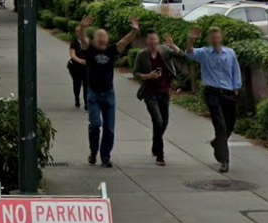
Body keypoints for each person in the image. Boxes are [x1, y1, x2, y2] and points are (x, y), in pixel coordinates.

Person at [71, 19, 137, 167]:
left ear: (107, 39)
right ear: (95, 39)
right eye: (99, 36)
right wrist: (82, 26)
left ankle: (105, 156)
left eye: (104, 36)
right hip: (94, 94)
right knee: (95, 124)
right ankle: (93, 152)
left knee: (109, 128)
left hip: (108, 94)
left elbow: (125, 41)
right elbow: (82, 38)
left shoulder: (112, 50)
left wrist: (135, 31)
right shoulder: (90, 49)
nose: (101, 39)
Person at [129, 18, 185, 166]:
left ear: (158, 40)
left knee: (164, 122)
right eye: (150, 40)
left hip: (164, 91)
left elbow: (181, 55)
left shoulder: (165, 51)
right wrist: (149, 76)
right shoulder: (142, 54)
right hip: (150, 93)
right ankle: (160, 155)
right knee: (157, 121)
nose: (153, 42)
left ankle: (155, 143)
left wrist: (173, 46)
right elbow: (135, 73)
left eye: (155, 39)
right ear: (146, 41)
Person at [187, 24, 242, 172]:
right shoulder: (204, 53)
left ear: (221, 38)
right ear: (209, 39)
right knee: (220, 125)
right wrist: (191, 40)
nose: (216, 40)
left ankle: (217, 142)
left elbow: (235, 70)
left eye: (218, 37)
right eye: (213, 37)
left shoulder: (230, 53)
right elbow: (190, 53)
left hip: (228, 92)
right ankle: (224, 160)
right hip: (212, 93)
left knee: (229, 124)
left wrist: (236, 87)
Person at [67, 17, 92, 107]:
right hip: (75, 67)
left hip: (86, 67)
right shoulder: (74, 42)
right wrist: (79, 60)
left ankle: (86, 103)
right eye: (77, 32)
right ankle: (77, 99)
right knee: (77, 83)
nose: (79, 33)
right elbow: (72, 54)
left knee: (87, 85)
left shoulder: (88, 41)